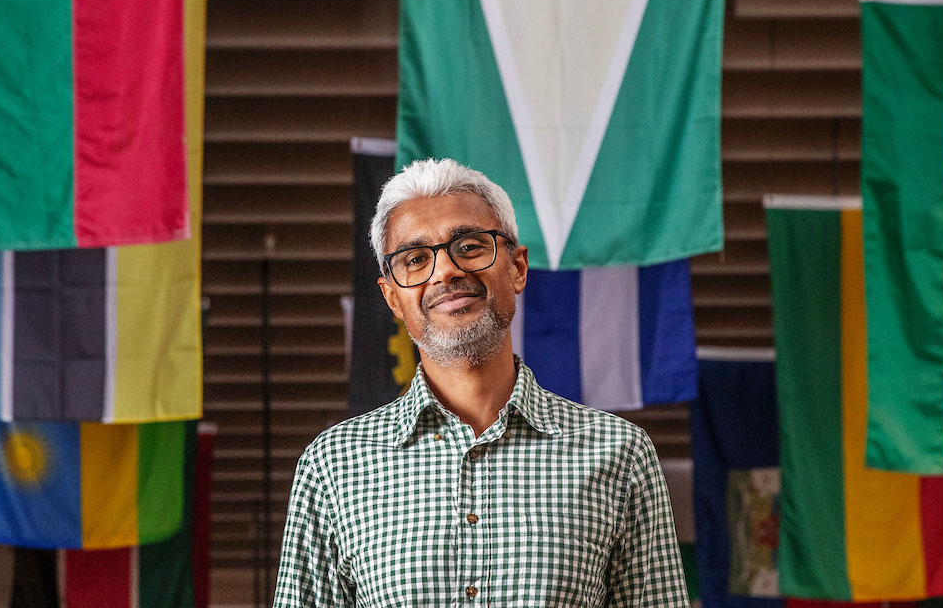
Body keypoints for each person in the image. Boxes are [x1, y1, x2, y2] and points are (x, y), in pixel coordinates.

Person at [273, 158, 689, 607]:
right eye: (415, 259)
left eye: (469, 246)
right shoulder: (333, 466)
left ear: (517, 268)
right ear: (393, 297)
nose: (445, 271)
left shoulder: (620, 454)